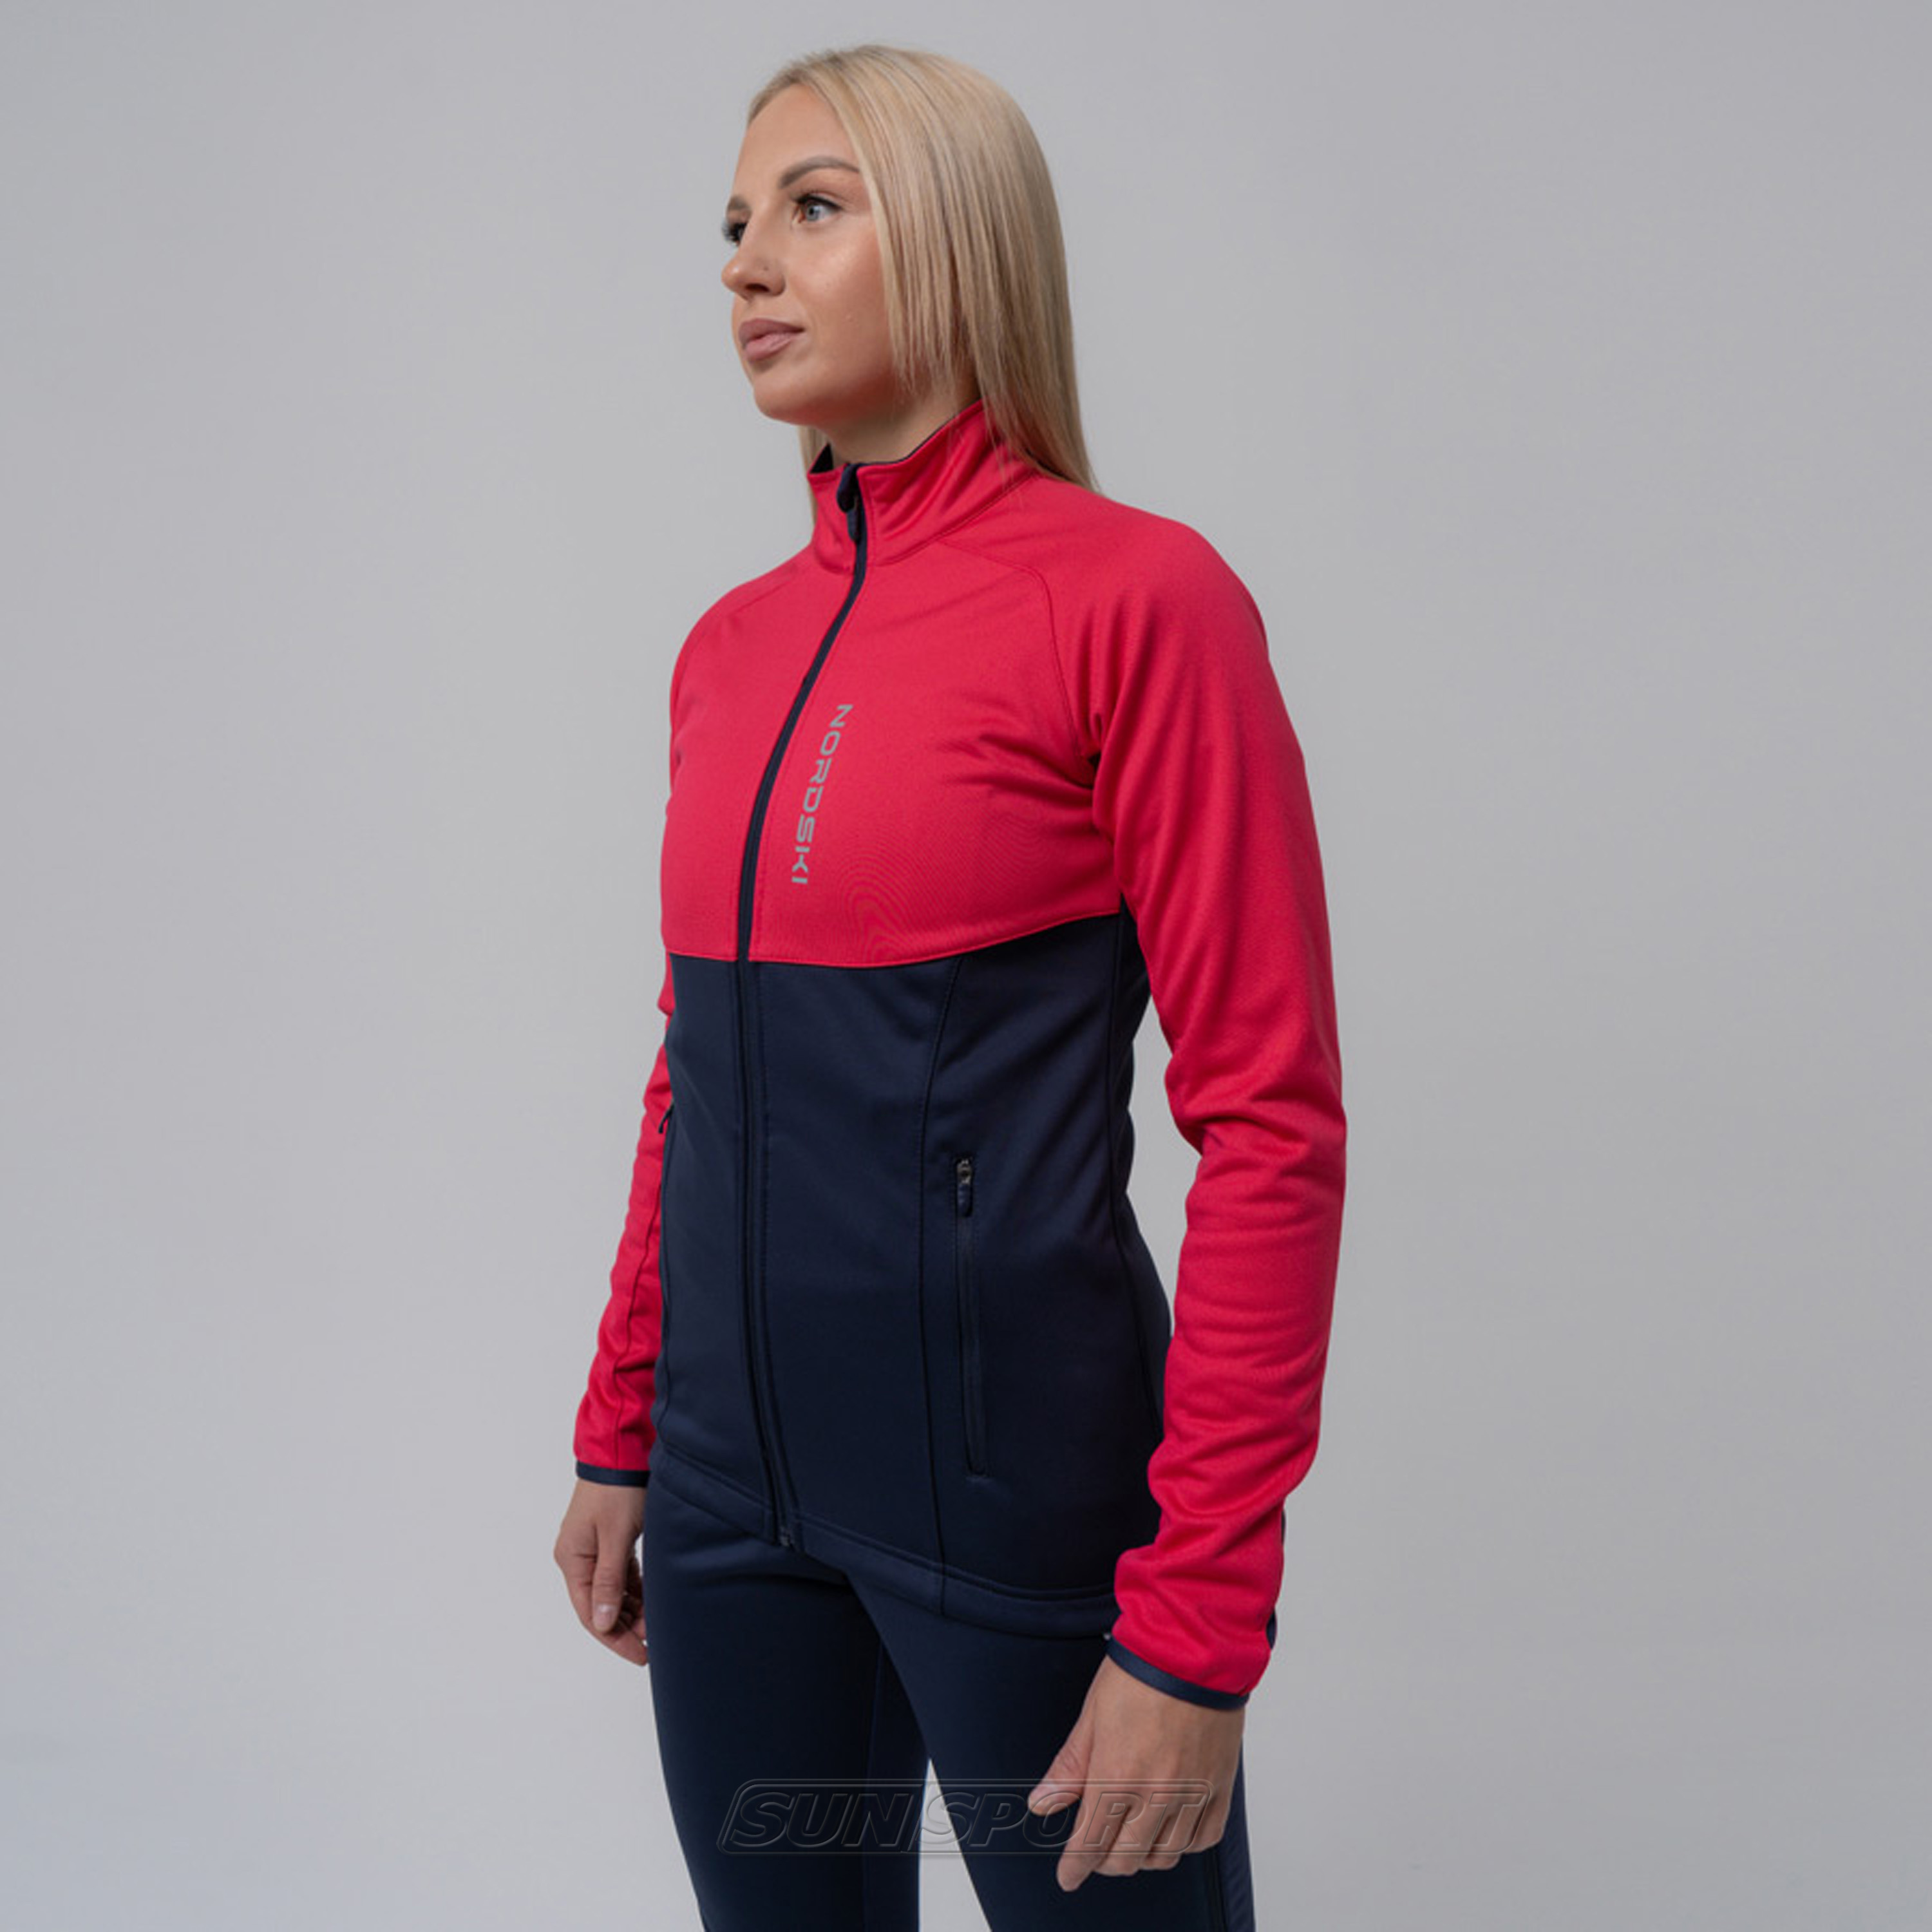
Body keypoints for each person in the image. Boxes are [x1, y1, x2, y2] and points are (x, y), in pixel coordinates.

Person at [553, 42, 1346, 1931]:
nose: (746, 264)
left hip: (1022, 1514)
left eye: (814, 209)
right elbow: (695, 1076)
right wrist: (623, 1422)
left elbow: (1273, 1127)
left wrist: (1199, 1624)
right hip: (730, 1511)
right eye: (735, 224)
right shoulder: (728, 650)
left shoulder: (1139, 603)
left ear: (965, 240)